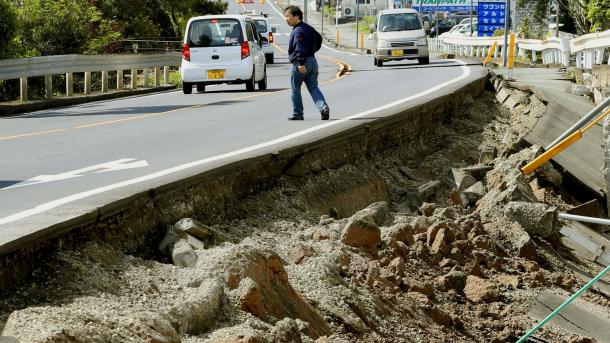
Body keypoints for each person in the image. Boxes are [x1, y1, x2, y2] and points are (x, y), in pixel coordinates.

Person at [284, 5, 330, 121]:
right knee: (313, 87)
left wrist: (300, 62)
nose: (286, 19)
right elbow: (319, 39)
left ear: (296, 16)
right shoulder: (308, 28)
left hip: (301, 63)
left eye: (288, 16)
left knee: (295, 89)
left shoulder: (297, 31)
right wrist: (312, 51)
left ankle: (298, 114)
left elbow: (299, 48)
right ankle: (323, 107)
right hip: (313, 61)